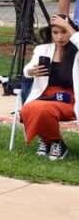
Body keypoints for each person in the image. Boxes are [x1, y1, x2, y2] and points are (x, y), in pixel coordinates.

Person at [21, 15, 79, 161]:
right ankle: (54, 141)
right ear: (50, 33)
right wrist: (30, 71)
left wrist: (68, 27)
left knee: (41, 109)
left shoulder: (76, 50)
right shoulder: (43, 49)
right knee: (28, 108)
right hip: (45, 97)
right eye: (55, 32)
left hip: (70, 100)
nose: (60, 37)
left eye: (63, 31)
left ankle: (48, 141)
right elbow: (27, 69)